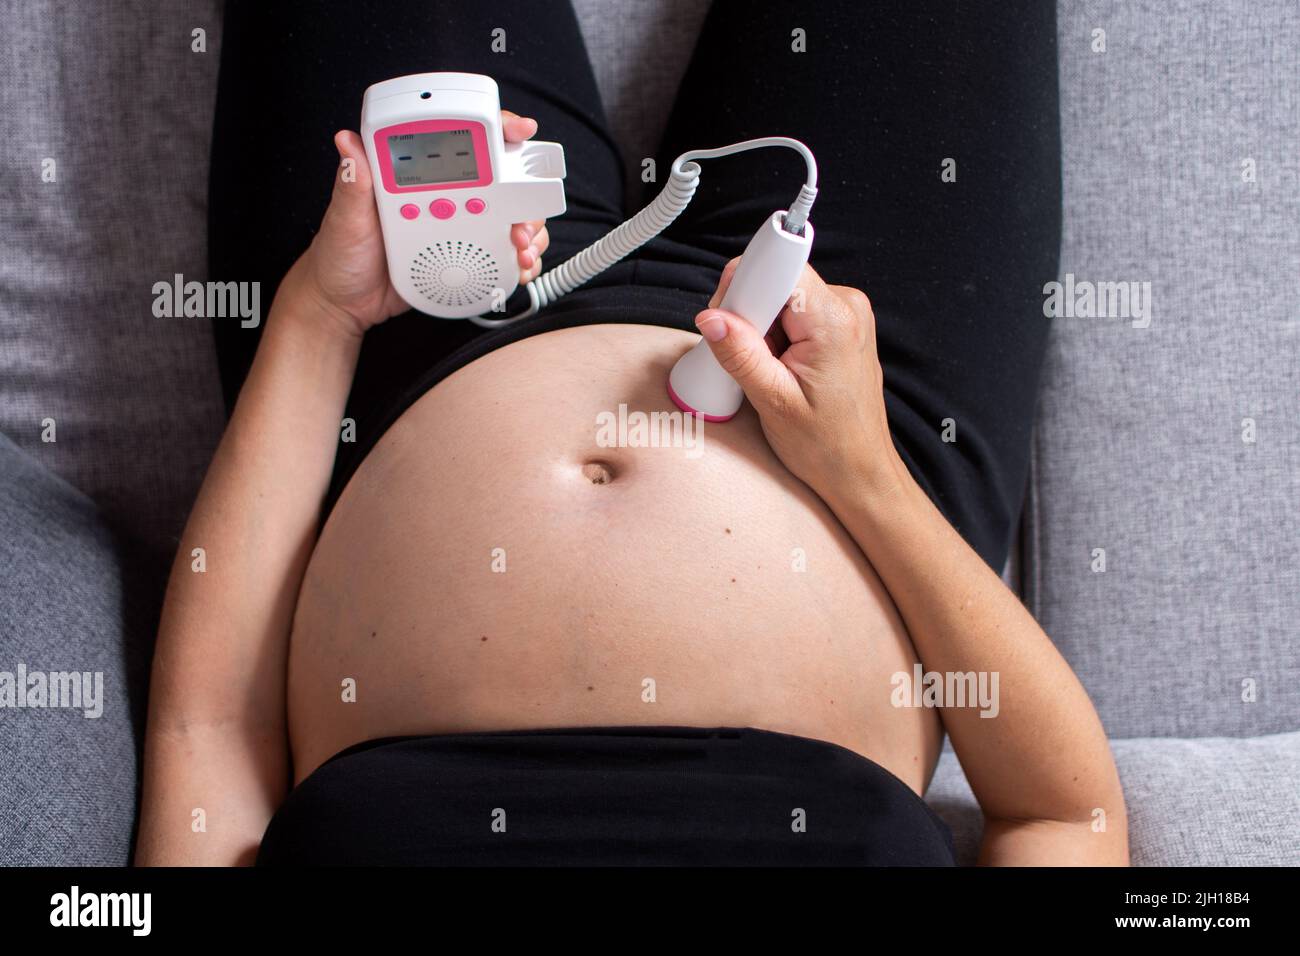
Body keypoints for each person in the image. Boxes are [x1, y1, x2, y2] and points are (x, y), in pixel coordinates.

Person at [136, 0, 1128, 865]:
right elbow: (1061, 813)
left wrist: (322, 313)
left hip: (400, 330)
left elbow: (210, 730)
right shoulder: (862, 445)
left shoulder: (348, 316)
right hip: (853, 396)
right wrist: (864, 470)